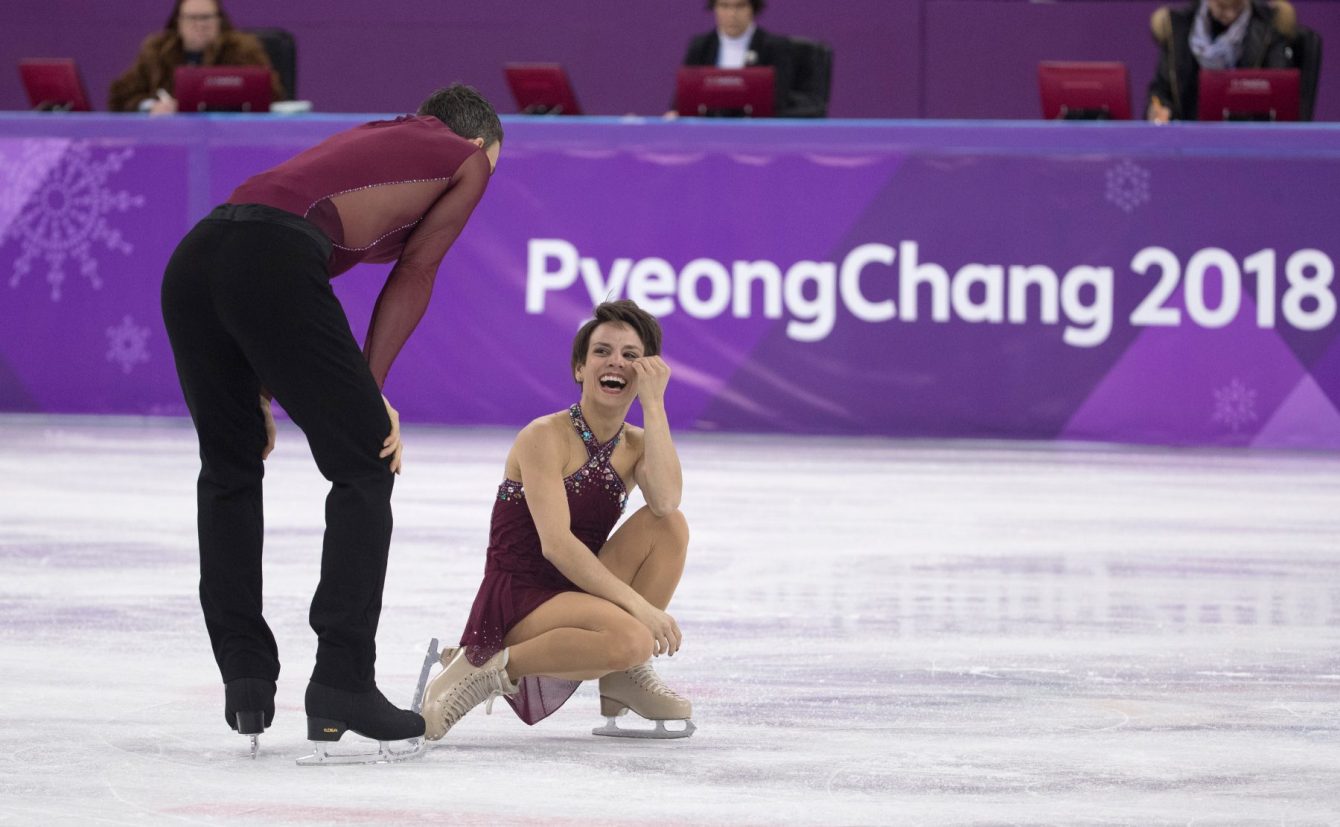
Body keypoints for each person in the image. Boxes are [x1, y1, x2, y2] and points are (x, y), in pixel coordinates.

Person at [160, 84, 503, 759]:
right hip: (268, 258)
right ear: (482, 142)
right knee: (367, 464)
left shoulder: (379, 128)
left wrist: (257, 386)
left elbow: (256, 251)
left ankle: (246, 674)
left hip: (197, 256)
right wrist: (371, 396)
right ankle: (343, 679)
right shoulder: (470, 158)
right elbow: (416, 271)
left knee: (229, 468)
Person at [421, 300, 695, 741]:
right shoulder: (544, 436)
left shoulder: (638, 444)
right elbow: (557, 545)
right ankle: (483, 665)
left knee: (670, 526)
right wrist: (641, 610)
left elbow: (665, 501)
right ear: (579, 369)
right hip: (521, 595)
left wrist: (655, 405)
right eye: (602, 351)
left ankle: (622, 680)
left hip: (576, 588)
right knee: (633, 638)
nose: (616, 363)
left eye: (630, 355)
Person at [108, 0, 285, 114]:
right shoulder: (156, 51)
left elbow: (273, 95)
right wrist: (150, 107)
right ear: (178, 22)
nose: (200, 25)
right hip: (172, 139)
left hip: (232, 137)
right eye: (192, 18)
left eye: (206, 18)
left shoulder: (243, 51)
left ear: (219, 21)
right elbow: (120, 96)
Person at [1147, 0, 1300, 123]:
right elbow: (1161, 89)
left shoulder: (1270, 27)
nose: (1230, 14)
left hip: (1247, 136)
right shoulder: (1179, 27)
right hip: (1189, 135)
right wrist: (1160, 109)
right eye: (1221, 7)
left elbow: (1279, 93)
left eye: (1237, 6)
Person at [672, 0, 798, 117]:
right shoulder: (701, 46)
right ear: (714, 8)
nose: (732, 14)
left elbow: (779, 100)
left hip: (756, 132)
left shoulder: (774, 47)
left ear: (752, 8)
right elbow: (683, 99)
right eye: (724, 6)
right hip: (708, 132)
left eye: (740, 6)